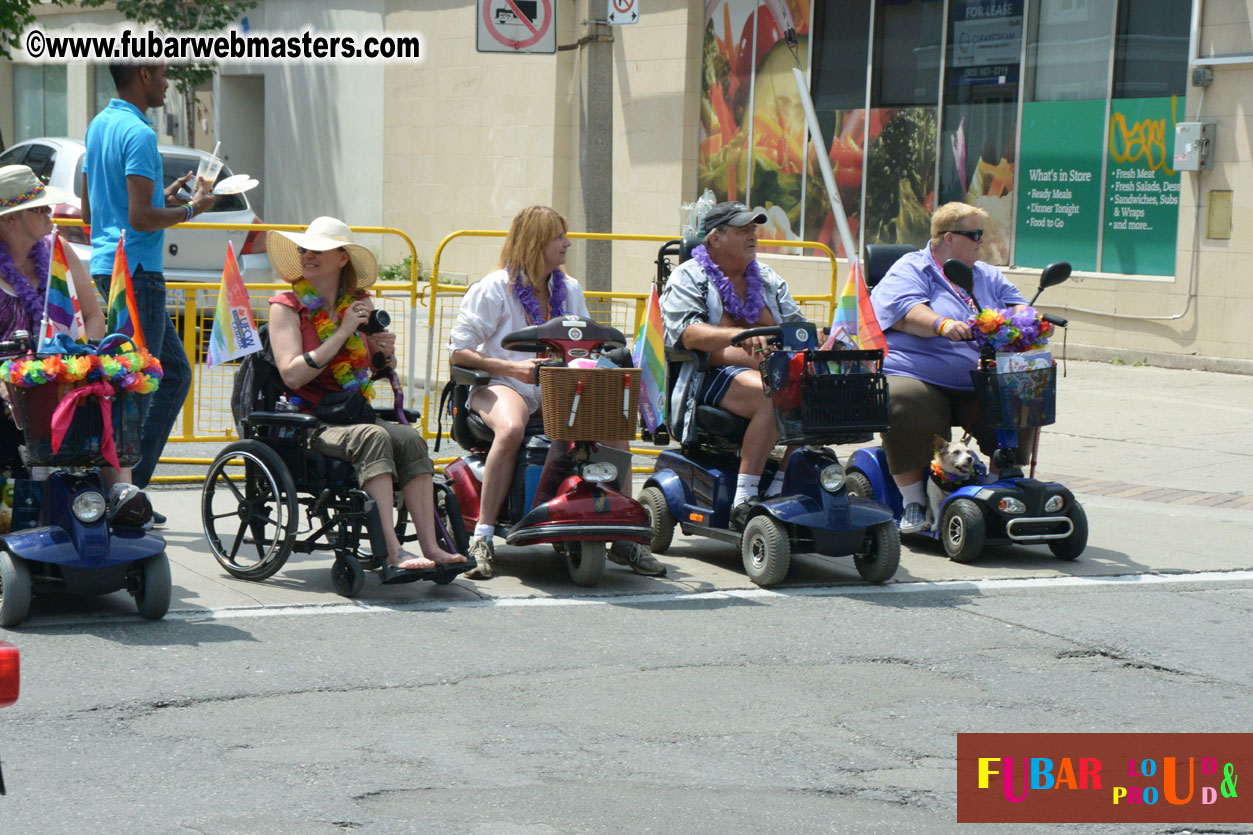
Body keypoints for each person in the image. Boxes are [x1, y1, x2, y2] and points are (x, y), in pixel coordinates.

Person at [448, 205, 667, 580]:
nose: (567, 244)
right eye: (559, 237)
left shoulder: (570, 289)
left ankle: (625, 538)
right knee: (512, 428)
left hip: (561, 388)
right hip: (501, 383)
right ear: (535, 242)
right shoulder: (494, 288)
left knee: (614, 427)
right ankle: (482, 536)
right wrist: (512, 368)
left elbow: (587, 343)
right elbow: (459, 352)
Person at [266, 216, 469, 582]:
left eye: (318, 250)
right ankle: (392, 551)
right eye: (304, 249)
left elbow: (369, 371)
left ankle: (432, 547)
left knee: (409, 437)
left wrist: (382, 356)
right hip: (308, 420)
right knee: (373, 436)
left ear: (342, 258)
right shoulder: (287, 306)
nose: (307, 255)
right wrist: (343, 332)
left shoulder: (359, 303)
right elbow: (293, 374)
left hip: (352, 411)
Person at [82, 61, 217, 524]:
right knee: (139, 388)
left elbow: (93, 211)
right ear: (142, 74)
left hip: (111, 266)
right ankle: (121, 495)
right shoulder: (139, 134)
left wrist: (166, 197)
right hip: (138, 271)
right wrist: (193, 208)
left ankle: (128, 489)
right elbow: (140, 219)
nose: (166, 83)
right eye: (161, 75)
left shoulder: (99, 126)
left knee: (171, 375)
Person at [0, 165, 155, 522]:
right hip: (8, 378)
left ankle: (122, 496)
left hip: (58, 370)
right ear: (9, 219)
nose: (49, 213)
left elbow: (93, 316)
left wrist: (86, 356)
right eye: (39, 208)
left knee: (104, 392)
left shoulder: (59, 250)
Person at [869, 201, 1034, 533]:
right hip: (918, 373)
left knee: (1023, 390)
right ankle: (914, 502)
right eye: (974, 234)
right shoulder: (912, 268)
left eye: (981, 234)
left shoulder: (985, 273)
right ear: (948, 237)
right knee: (905, 399)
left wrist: (1029, 323)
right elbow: (904, 312)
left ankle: (1001, 486)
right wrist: (941, 324)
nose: (981, 241)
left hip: (978, 375)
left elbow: (1017, 304)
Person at [660, 201, 806, 530]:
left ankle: (781, 485)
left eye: (754, 229)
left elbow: (796, 325)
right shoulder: (689, 276)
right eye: (742, 230)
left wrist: (824, 336)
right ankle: (744, 499)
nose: (753, 236)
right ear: (715, 239)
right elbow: (688, 333)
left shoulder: (767, 278)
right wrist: (737, 336)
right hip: (709, 374)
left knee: (817, 387)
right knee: (773, 393)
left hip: (775, 369)